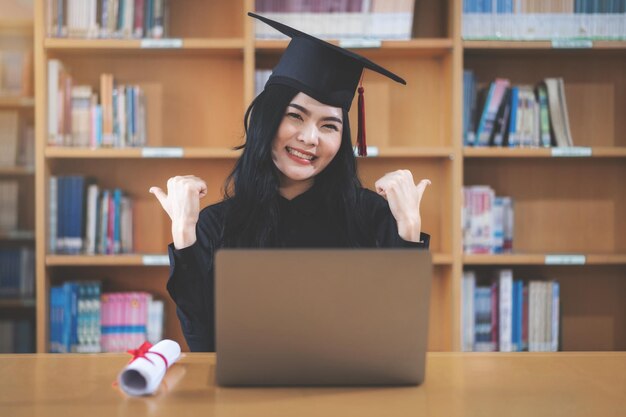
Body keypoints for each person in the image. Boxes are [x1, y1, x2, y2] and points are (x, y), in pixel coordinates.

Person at [150, 13, 431, 352]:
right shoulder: (217, 225)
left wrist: (409, 228)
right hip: (250, 401)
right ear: (266, 121)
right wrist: (184, 232)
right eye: (295, 116)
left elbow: (400, 340)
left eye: (329, 125)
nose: (310, 138)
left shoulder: (370, 217)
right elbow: (203, 346)